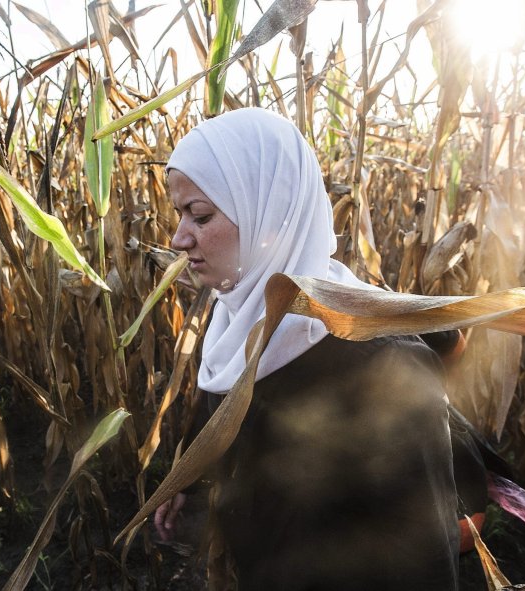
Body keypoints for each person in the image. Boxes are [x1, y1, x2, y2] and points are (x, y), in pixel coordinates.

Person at [152, 108, 461, 590]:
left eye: (201, 215)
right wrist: (187, 476)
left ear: (268, 214)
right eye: (180, 214)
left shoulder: (386, 366)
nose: (178, 238)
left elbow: (426, 561)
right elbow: (221, 403)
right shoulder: (233, 320)